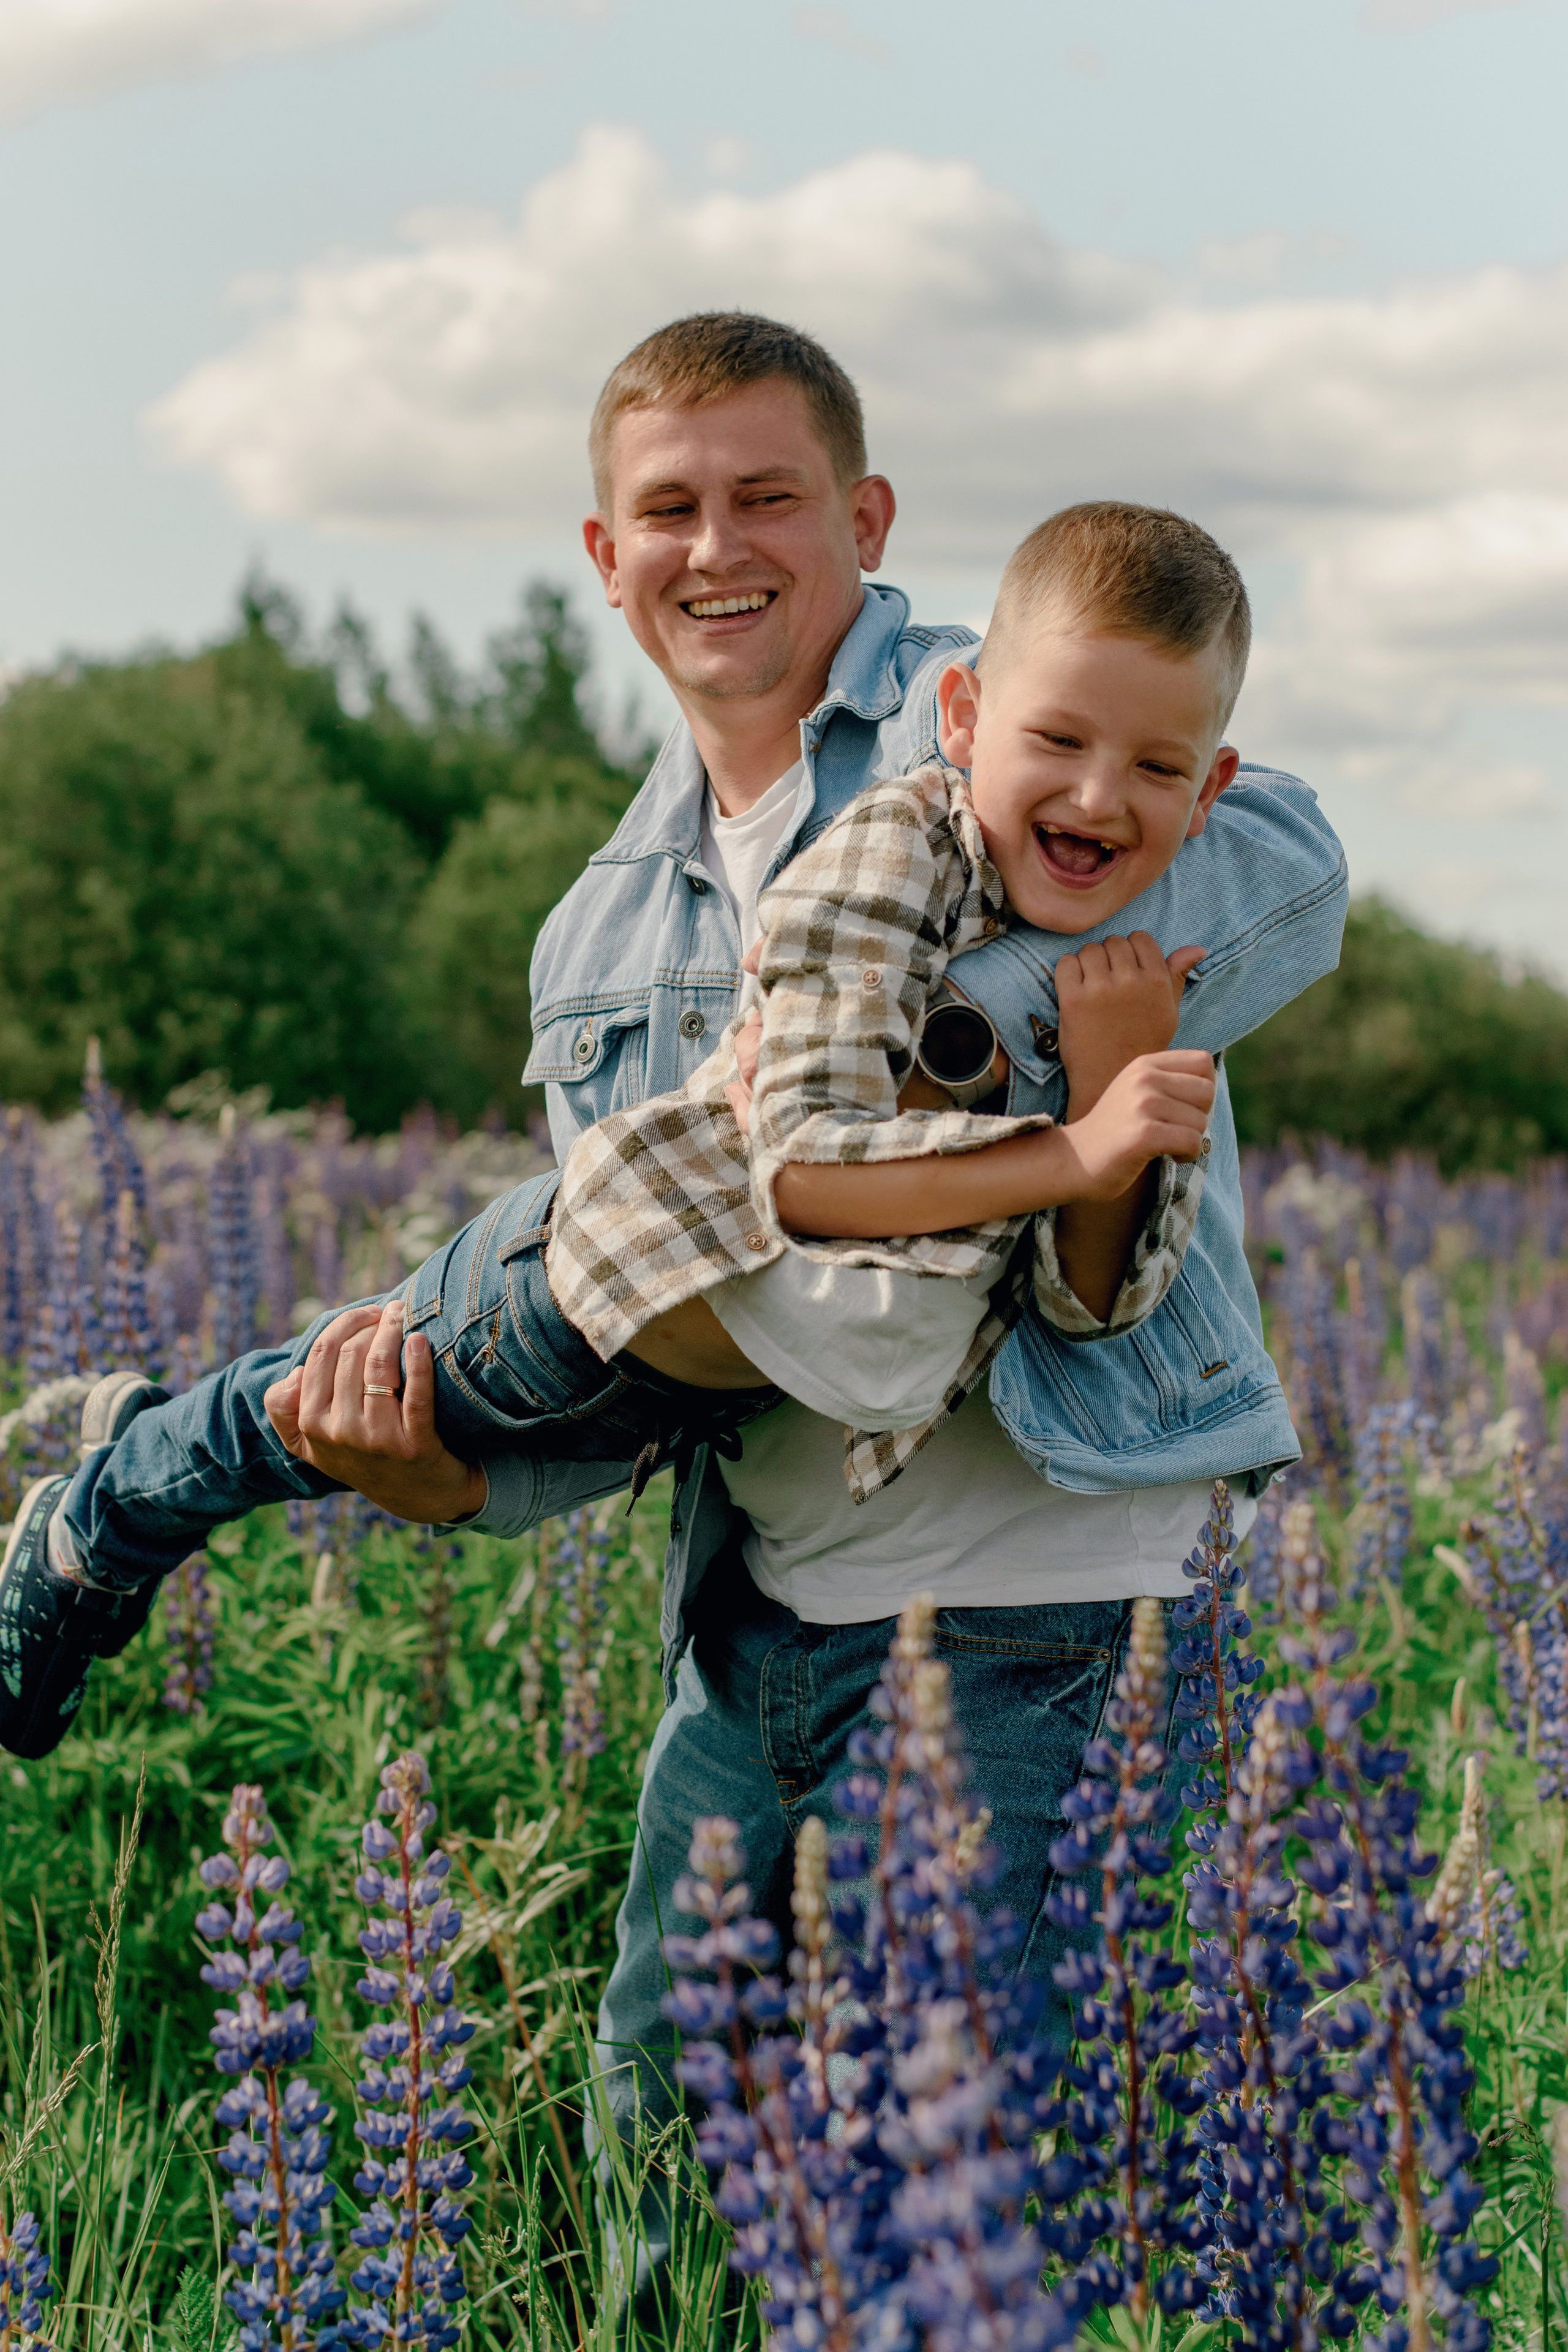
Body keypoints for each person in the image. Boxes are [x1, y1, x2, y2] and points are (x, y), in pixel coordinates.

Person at [4, 314, 1346, 2192]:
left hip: (1033, 1591)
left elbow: (1288, 869)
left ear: (865, 519)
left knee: (956, 2182)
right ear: (605, 556)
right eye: (670, 509)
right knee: (670, 2172)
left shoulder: (1016, 710)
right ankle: (149, 1479)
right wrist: (450, 1481)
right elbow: (666, 1348)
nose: (719, 547)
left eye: (770, 498)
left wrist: (961, 1066)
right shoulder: (597, 933)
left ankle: (137, 1478)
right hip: (768, 1610)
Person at [0, 501, 1226, 1757]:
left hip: (684, 1392)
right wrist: (1075, 1147)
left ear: (1209, 791)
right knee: (309, 1407)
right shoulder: (897, 847)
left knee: (312, 1412)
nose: (1094, 794)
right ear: (963, 719)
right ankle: (100, 1518)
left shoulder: (1140, 975)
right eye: (1058, 740)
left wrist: (1108, 1104)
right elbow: (801, 1170)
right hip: (591, 1282)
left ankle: (140, 1452)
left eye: (1153, 767)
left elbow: (1089, 1306)